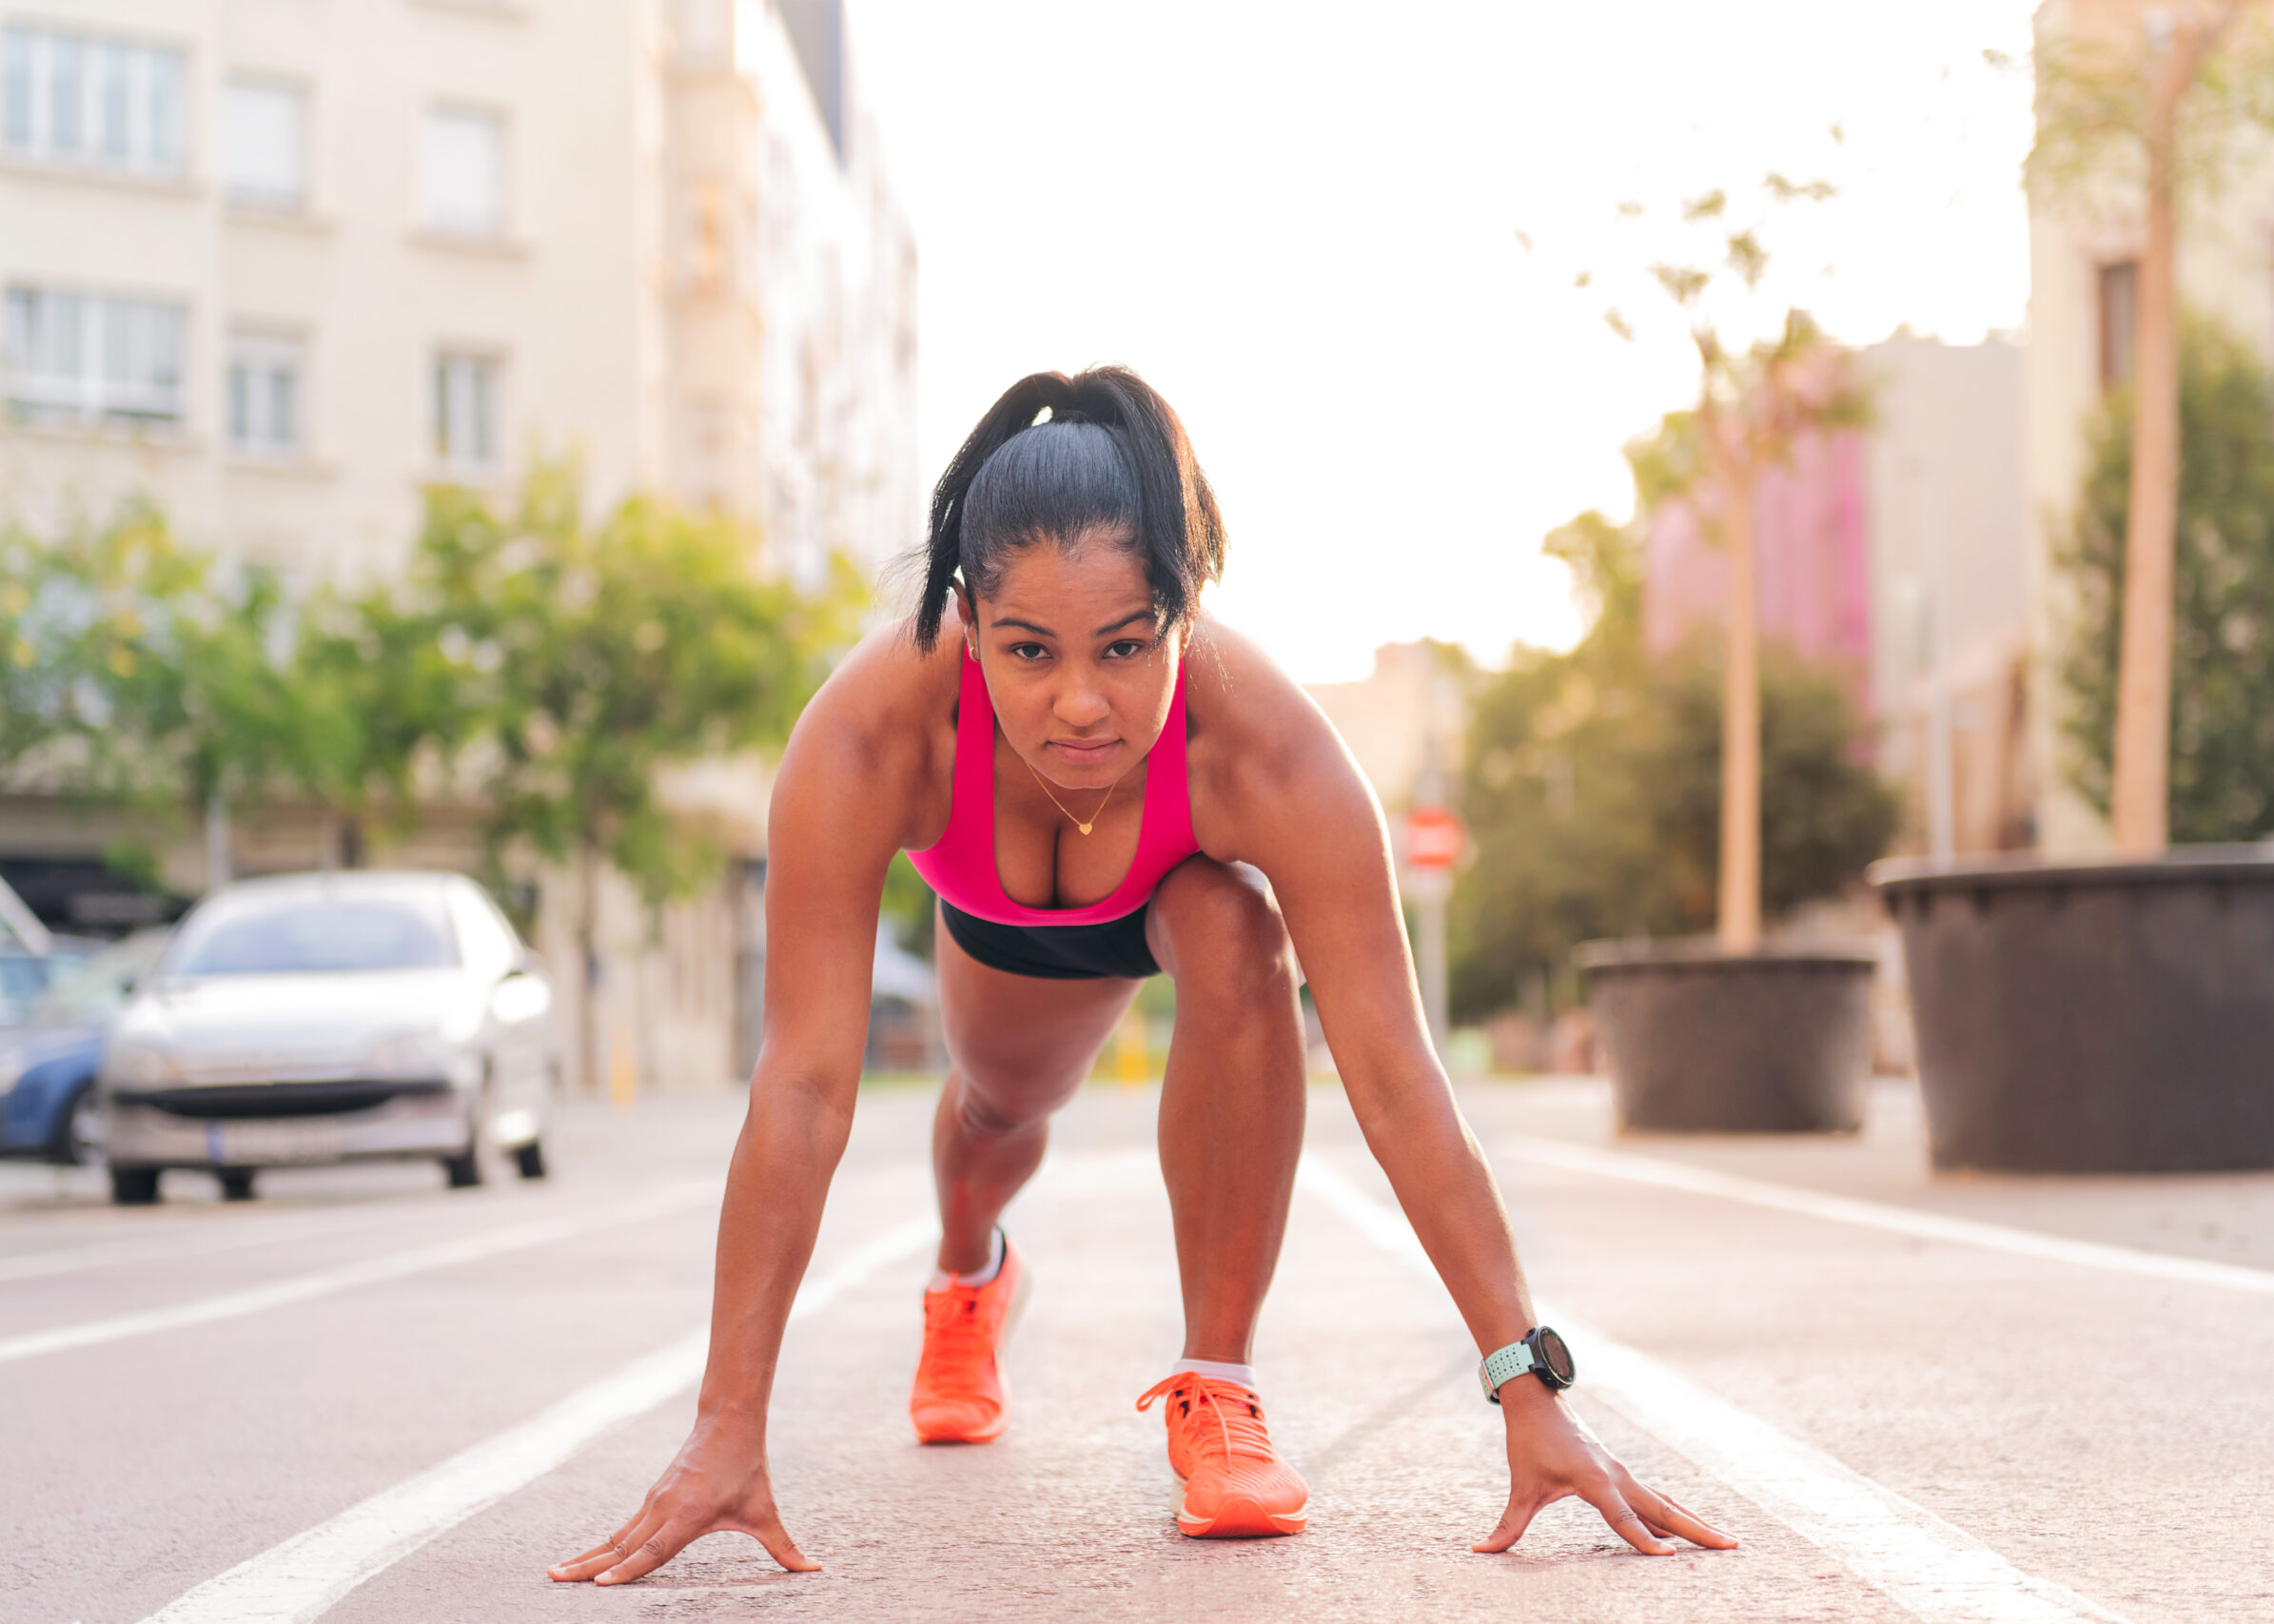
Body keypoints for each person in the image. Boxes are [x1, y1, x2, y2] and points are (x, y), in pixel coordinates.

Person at [548, 366, 1734, 1581]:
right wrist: (724, 1428)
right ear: (965, 618)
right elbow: (800, 1086)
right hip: (994, 925)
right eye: (1026, 651)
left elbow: (1395, 1078)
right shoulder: (869, 736)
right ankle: (970, 1277)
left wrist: (1526, 1386)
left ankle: (1216, 1387)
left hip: (1170, 898)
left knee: (1235, 927)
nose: (1079, 705)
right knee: (997, 1117)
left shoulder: (1268, 750)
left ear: (1186, 606)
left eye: (1126, 646)